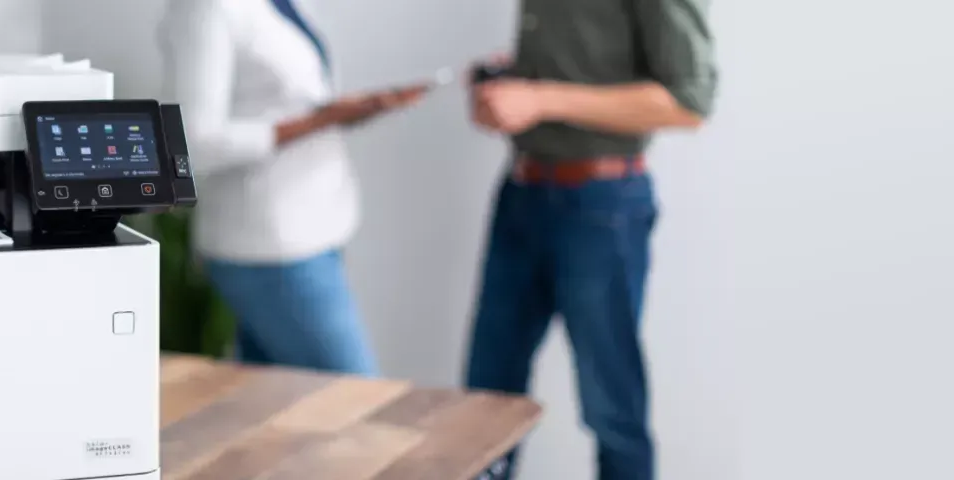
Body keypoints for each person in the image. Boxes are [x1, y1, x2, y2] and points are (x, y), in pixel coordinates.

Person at [463, 0, 718, 479]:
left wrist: (540, 98)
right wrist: (508, 81)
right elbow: (591, 57)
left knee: (611, 408)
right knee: (484, 403)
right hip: (521, 194)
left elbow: (690, 101)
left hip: (599, 208)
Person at [157, 0, 428, 375]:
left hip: (316, 230)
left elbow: (286, 99)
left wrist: (347, 113)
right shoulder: (207, 9)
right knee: (355, 402)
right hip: (269, 246)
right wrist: (321, 120)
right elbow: (189, 144)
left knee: (272, 410)